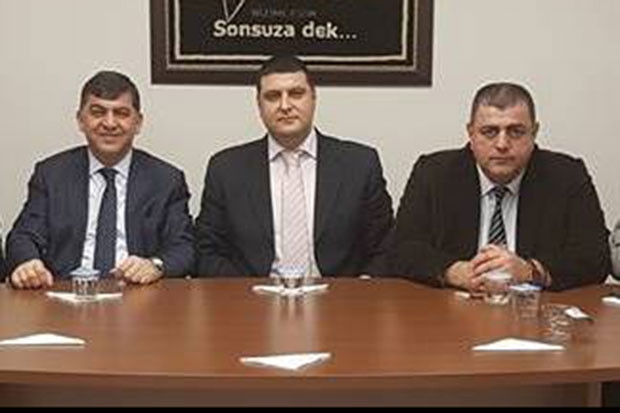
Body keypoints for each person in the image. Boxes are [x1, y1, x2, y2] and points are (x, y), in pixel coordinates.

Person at [391, 82, 610, 292]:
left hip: (531, 308)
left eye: (516, 131)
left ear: (534, 132)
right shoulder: (434, 173)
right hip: (453, 305)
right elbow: (402, 249)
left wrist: (530, 271)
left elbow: (595, 256)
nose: (502, 144)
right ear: (471, 133)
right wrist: (454, 272)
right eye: (489, 132)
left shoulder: (566, 176)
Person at [195, 55, 393, 277]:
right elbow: (207, 250)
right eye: (272, 96)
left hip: (340, 295)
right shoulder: (226, 169)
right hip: (254, 294)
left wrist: (362, 289)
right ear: (259, 105)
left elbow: (385, 246)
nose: (285, 106)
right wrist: (244, 292)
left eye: (296, 94)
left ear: (314, 98)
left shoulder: (360, 165)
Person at [6, 70, 194, 289]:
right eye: (98, 112)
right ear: (81, 120)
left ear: (138, 123)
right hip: (67, 294)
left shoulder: (166, 180)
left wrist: (155, 265)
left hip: (138, 295)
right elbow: (23, 236)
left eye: (121, 113)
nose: (110, 123)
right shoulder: (51, 174)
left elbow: (184, 247)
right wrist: (29, 263)